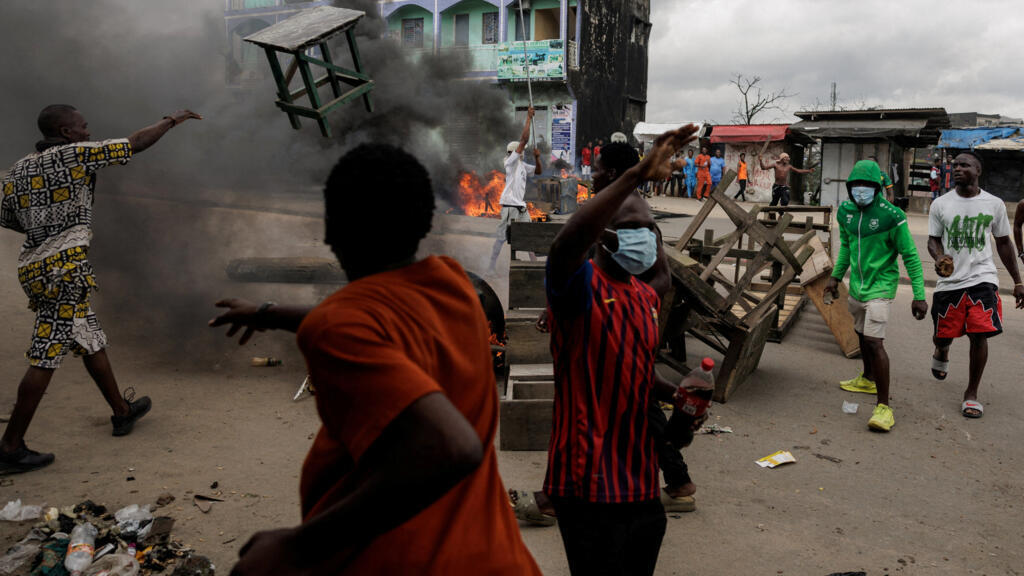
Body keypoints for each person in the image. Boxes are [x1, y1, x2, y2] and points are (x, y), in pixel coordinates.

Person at [212, 144, 541, 575]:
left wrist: (298, 544)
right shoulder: (454, 286)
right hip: (495, 557)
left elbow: (453, 447)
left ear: (332, 229)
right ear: (425, 222)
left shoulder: (343, 325)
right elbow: (372, 320)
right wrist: (268, 314)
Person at [0, 104, 201, 475]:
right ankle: (10, 447)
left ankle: (121, 413)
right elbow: (133, 144)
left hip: (35, 266)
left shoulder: (18, 169)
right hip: (64, 271)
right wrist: (172, 120)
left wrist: (44, 229)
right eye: (82, 127)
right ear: (65, 132)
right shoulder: (74, 154)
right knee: (45, 354)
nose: (88, 132)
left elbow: (5, 215)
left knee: (89, 336)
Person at [544, 124, 699, 576]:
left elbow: (634, 372)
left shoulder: (643, 298)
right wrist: (633, 176)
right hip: (587, 483)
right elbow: (564, 246)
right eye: (630, 229)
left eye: (647, 230)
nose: (642, 238)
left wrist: (679, 395)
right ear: (602, 234)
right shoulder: (577, 288)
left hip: (640, 486)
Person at [825, 161, 927, 432]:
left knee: (873, 341)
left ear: (877, 188)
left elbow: (911, 256)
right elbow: (846, 247)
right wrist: (835, 278)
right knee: (860, 333)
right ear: (849, 188)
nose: (861, 191)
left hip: (881, 286)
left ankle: (884, 407)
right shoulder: (845, 212)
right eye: (856, 186)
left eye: (867, 186)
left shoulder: (892, 215)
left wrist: (919, 294)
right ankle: (868, 378)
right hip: (857, 286)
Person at [927, 151, 1024, 419]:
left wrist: (1017, 281)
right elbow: (933, 240)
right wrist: (939, 256)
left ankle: (971, 393)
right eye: (954, 165)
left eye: (964, 165)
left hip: (983, 277)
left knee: (978, 334)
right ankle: (942, 349)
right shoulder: (941, 205)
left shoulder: (994, 204)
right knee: (942, 334)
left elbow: (1004, 242)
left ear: (978, 171)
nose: (957, 168)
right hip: (950, 282)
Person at [487, 106, 542, 274]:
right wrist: (528, 118)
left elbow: (538, 171)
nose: (522, 153)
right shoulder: (510, 162)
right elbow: (524, 140)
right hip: (510, 206)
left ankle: (535, 268)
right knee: (501, 239)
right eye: (520, 151)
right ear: (513, 152)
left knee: (528, 237)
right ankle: (490, 268)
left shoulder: (523, 165)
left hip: (521, 207)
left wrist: (538, 158)